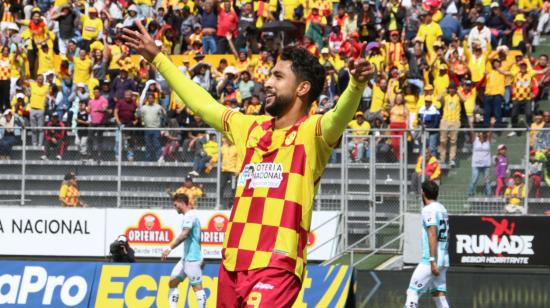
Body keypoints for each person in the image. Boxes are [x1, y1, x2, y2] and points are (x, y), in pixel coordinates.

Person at [122, 20, 372, 306]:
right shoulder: (250, 128)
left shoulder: (313, 133)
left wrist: (356, 84)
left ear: (303, 88)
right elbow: (203, 105)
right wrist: (158, 58)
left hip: (278, 264)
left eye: (278, 77)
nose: (267, 82)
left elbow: (339, 116)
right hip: (233, 265)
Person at [404, 181, 449, 308]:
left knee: (412, 291)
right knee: (439, 295)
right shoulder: (442, 208)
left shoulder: (428, 210)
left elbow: (432, 233)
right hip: (444, 258)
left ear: (423, 193)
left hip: (431, 260)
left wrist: (432, 260)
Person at [161, 193, 207, 308]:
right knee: (172, 282)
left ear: (181, 203)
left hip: (193, 258)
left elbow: (184, 234)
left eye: (175, 204)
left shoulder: (189, 216)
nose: (175, 207)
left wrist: (169, 248)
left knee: (197, 287)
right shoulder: (188, 216)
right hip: (186, 258)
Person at [467, 131, 493, 196]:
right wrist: (471, 123)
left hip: (486, 165)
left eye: (484, 133)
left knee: (487, 181)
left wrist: (492, 124)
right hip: (476, 164)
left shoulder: (488, 141)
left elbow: (490, 132)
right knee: (474, 180)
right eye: (481, 133)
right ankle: (470, 193)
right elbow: (472, 131)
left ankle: (488, 194)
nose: (482, 134)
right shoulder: (475, 140)